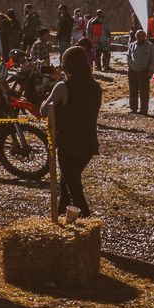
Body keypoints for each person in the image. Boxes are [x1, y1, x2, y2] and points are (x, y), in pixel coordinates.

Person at [42, 45, 101, 222]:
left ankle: (87, 219)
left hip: (69, 143)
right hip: (89, 142)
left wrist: (53, 85)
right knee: (67, 182)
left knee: (73, 185)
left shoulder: (63, 86)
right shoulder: (95, 87)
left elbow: (44, 110)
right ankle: (62, 217)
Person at [125, 29, 154, 115]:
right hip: (132, 71)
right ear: (136, 37)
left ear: (145, 36)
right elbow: (128, 56)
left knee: (144, 92)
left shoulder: (150, 46)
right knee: (133, 90)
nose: (140, 37)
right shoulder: (132, 45)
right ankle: (133, 108)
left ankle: (144, 110)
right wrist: (130, 66)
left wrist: (151, 71)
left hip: (144, 72)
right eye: (138, 36)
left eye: (142, 35)